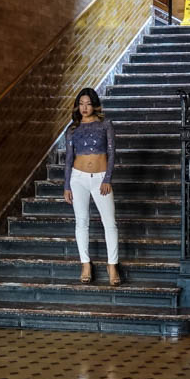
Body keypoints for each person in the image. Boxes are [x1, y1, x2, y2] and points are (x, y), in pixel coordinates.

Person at [63, 88, 120, 285]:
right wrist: (67, 185)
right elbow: (68, 159)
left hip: (101, 178)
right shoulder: (72, 129)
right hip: (77, 179)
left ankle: (112, 265)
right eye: (81, 104)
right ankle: (85, 264)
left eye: (88, 104)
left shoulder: (105, 125)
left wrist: (107, 179)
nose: (84, 108)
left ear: (94, 105)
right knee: (81, 222)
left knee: (109, 222)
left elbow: (111, 153)